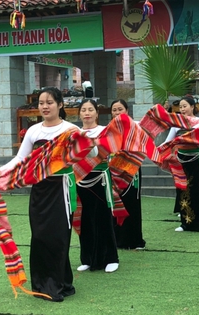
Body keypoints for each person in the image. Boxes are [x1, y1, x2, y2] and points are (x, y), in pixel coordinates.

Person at [0, 87, 78, 302]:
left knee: (57, 237)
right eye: (41, 103)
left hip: (61, 189)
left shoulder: (71, 129)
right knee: (39, 236)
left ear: (60, 105)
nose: (45, 106)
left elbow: (89, 153)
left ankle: (59, 283)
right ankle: (41, 283)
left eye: (49, 102)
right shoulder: (33, 131)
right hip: (39, 190)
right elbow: (20, 159)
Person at [75, 99, 120, 273]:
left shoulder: (105, 131)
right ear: (79, 114)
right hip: (80, 178)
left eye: (90, 110)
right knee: (84, 218)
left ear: (96, 113)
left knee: (103, 217)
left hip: (100, 177)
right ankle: (87, 258)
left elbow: (110, 152)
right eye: (83, 110)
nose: (87, 113)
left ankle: (110, 258)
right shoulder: (75, 132)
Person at [164, 96, 199, 232]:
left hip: (196, 159)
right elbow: (167, 142)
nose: (182, 109)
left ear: (192, 107)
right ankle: (186, 223)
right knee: (182, 190)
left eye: (185, 106)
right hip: (181, 160)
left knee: (196, 191)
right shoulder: (176, 124)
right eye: (180, 107)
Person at [110, 99, 146, 249]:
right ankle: (117, 240)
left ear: (127, 111)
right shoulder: (108, 130)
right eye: (114, 110)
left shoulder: (136, 127)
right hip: (114, 171)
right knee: (116, 204)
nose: (117, 112)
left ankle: (135, 240)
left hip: (132, 171)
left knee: (132, 204)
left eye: (120, 109)